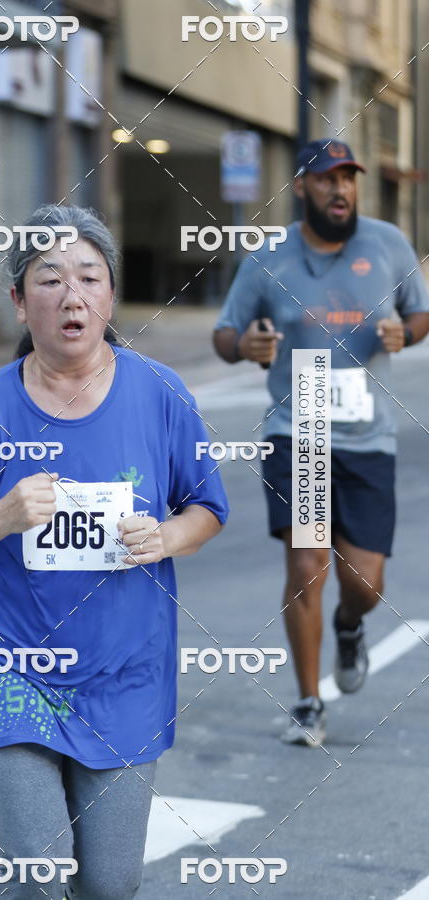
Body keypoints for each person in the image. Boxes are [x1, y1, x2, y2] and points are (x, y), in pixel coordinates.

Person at [0, 204, 228, 899]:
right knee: (37, 869)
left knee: (110, 885)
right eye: (50, 280)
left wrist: (165, 536)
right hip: (8, 667)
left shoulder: (160, 393)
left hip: (126, 671)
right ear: (21, 303)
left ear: (111, 295)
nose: (72, 295)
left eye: (89, 277)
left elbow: (206, 508)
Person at [213, 139, 429, 747]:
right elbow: (225, 332)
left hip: (368, 433)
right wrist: (244, 346)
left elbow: (420, 312)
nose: (341, 190)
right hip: (298, 429)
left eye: (349, 179)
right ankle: (309, 702)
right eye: (328, 179)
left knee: (365, 583)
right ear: (301, 187)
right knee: (307, 564)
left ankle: (349, 624)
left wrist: (405, 333)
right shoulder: (269, 257)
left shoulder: (387, 244)